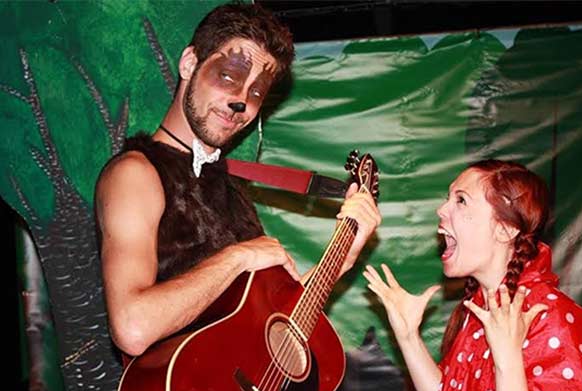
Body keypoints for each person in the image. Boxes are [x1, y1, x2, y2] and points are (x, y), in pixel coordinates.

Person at [95, 2, 380, 358]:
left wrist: (343, 257)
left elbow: (273, 322)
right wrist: (238, 257)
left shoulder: (232, 191)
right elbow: (132, 328)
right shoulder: (136, 173)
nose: (240, 102)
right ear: (189, 64)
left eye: (256, 92)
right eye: (228, 77)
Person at [364, 159, 582, 391]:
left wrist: (508, 362)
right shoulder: (479, 309)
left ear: (505, 229)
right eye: (448, 198)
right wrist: (409, 337)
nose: (441, 209)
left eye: (461, 200)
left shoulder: (550, 319)